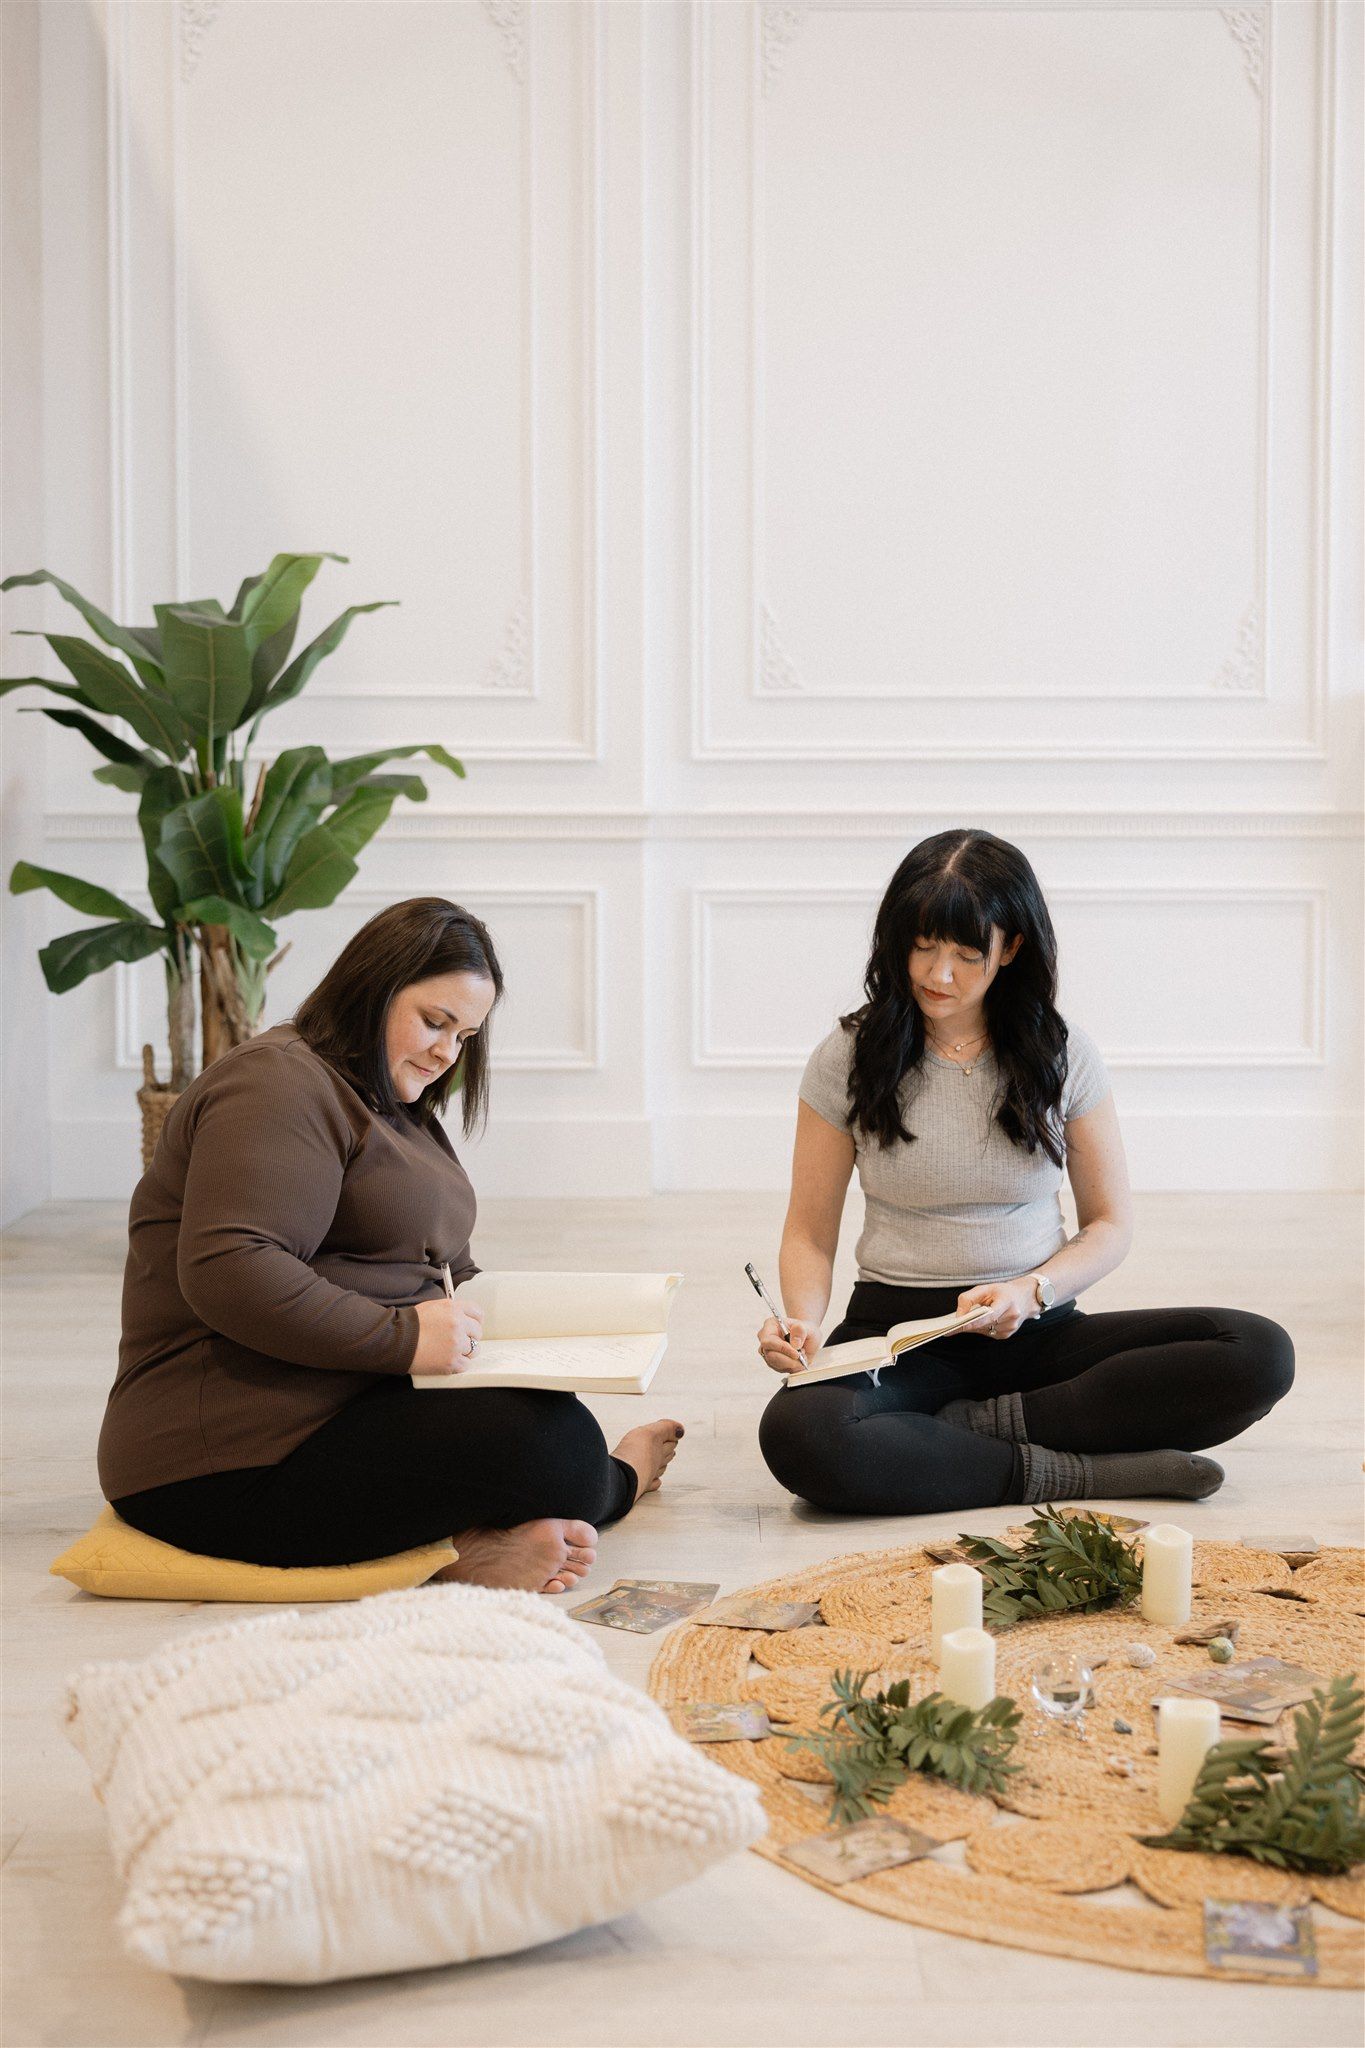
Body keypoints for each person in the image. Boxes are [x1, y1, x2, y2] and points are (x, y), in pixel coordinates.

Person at [99, 897, 682, 1593]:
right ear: (370, 987)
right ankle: (570, 1503)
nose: (446, 1052)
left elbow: (438, 1263)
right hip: (224, 1460)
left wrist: (537, 1337)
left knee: (547, 1424)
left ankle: (485, 1530)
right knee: (547, 1447)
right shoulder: (276, 1084)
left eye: (464, 1036)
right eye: (434, 1022)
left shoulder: (392, 1105)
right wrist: (401, 1336)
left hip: (342, 1407)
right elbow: (231, 1268)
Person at [755, 830, 1294, 1517]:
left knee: (1255, 1352)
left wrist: (1030, 1291)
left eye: (965, 953)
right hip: (897, 1335)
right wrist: (799, 1321)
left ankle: (961, 1438)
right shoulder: (846, 1056)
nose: (937, 973)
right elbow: (808, 1231)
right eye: (921, 945)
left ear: (1010, 949)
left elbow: (1109, 1224)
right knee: (799, 1435)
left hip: (1036, 1328)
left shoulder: (1061, 1053)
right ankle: (1072, 1474)